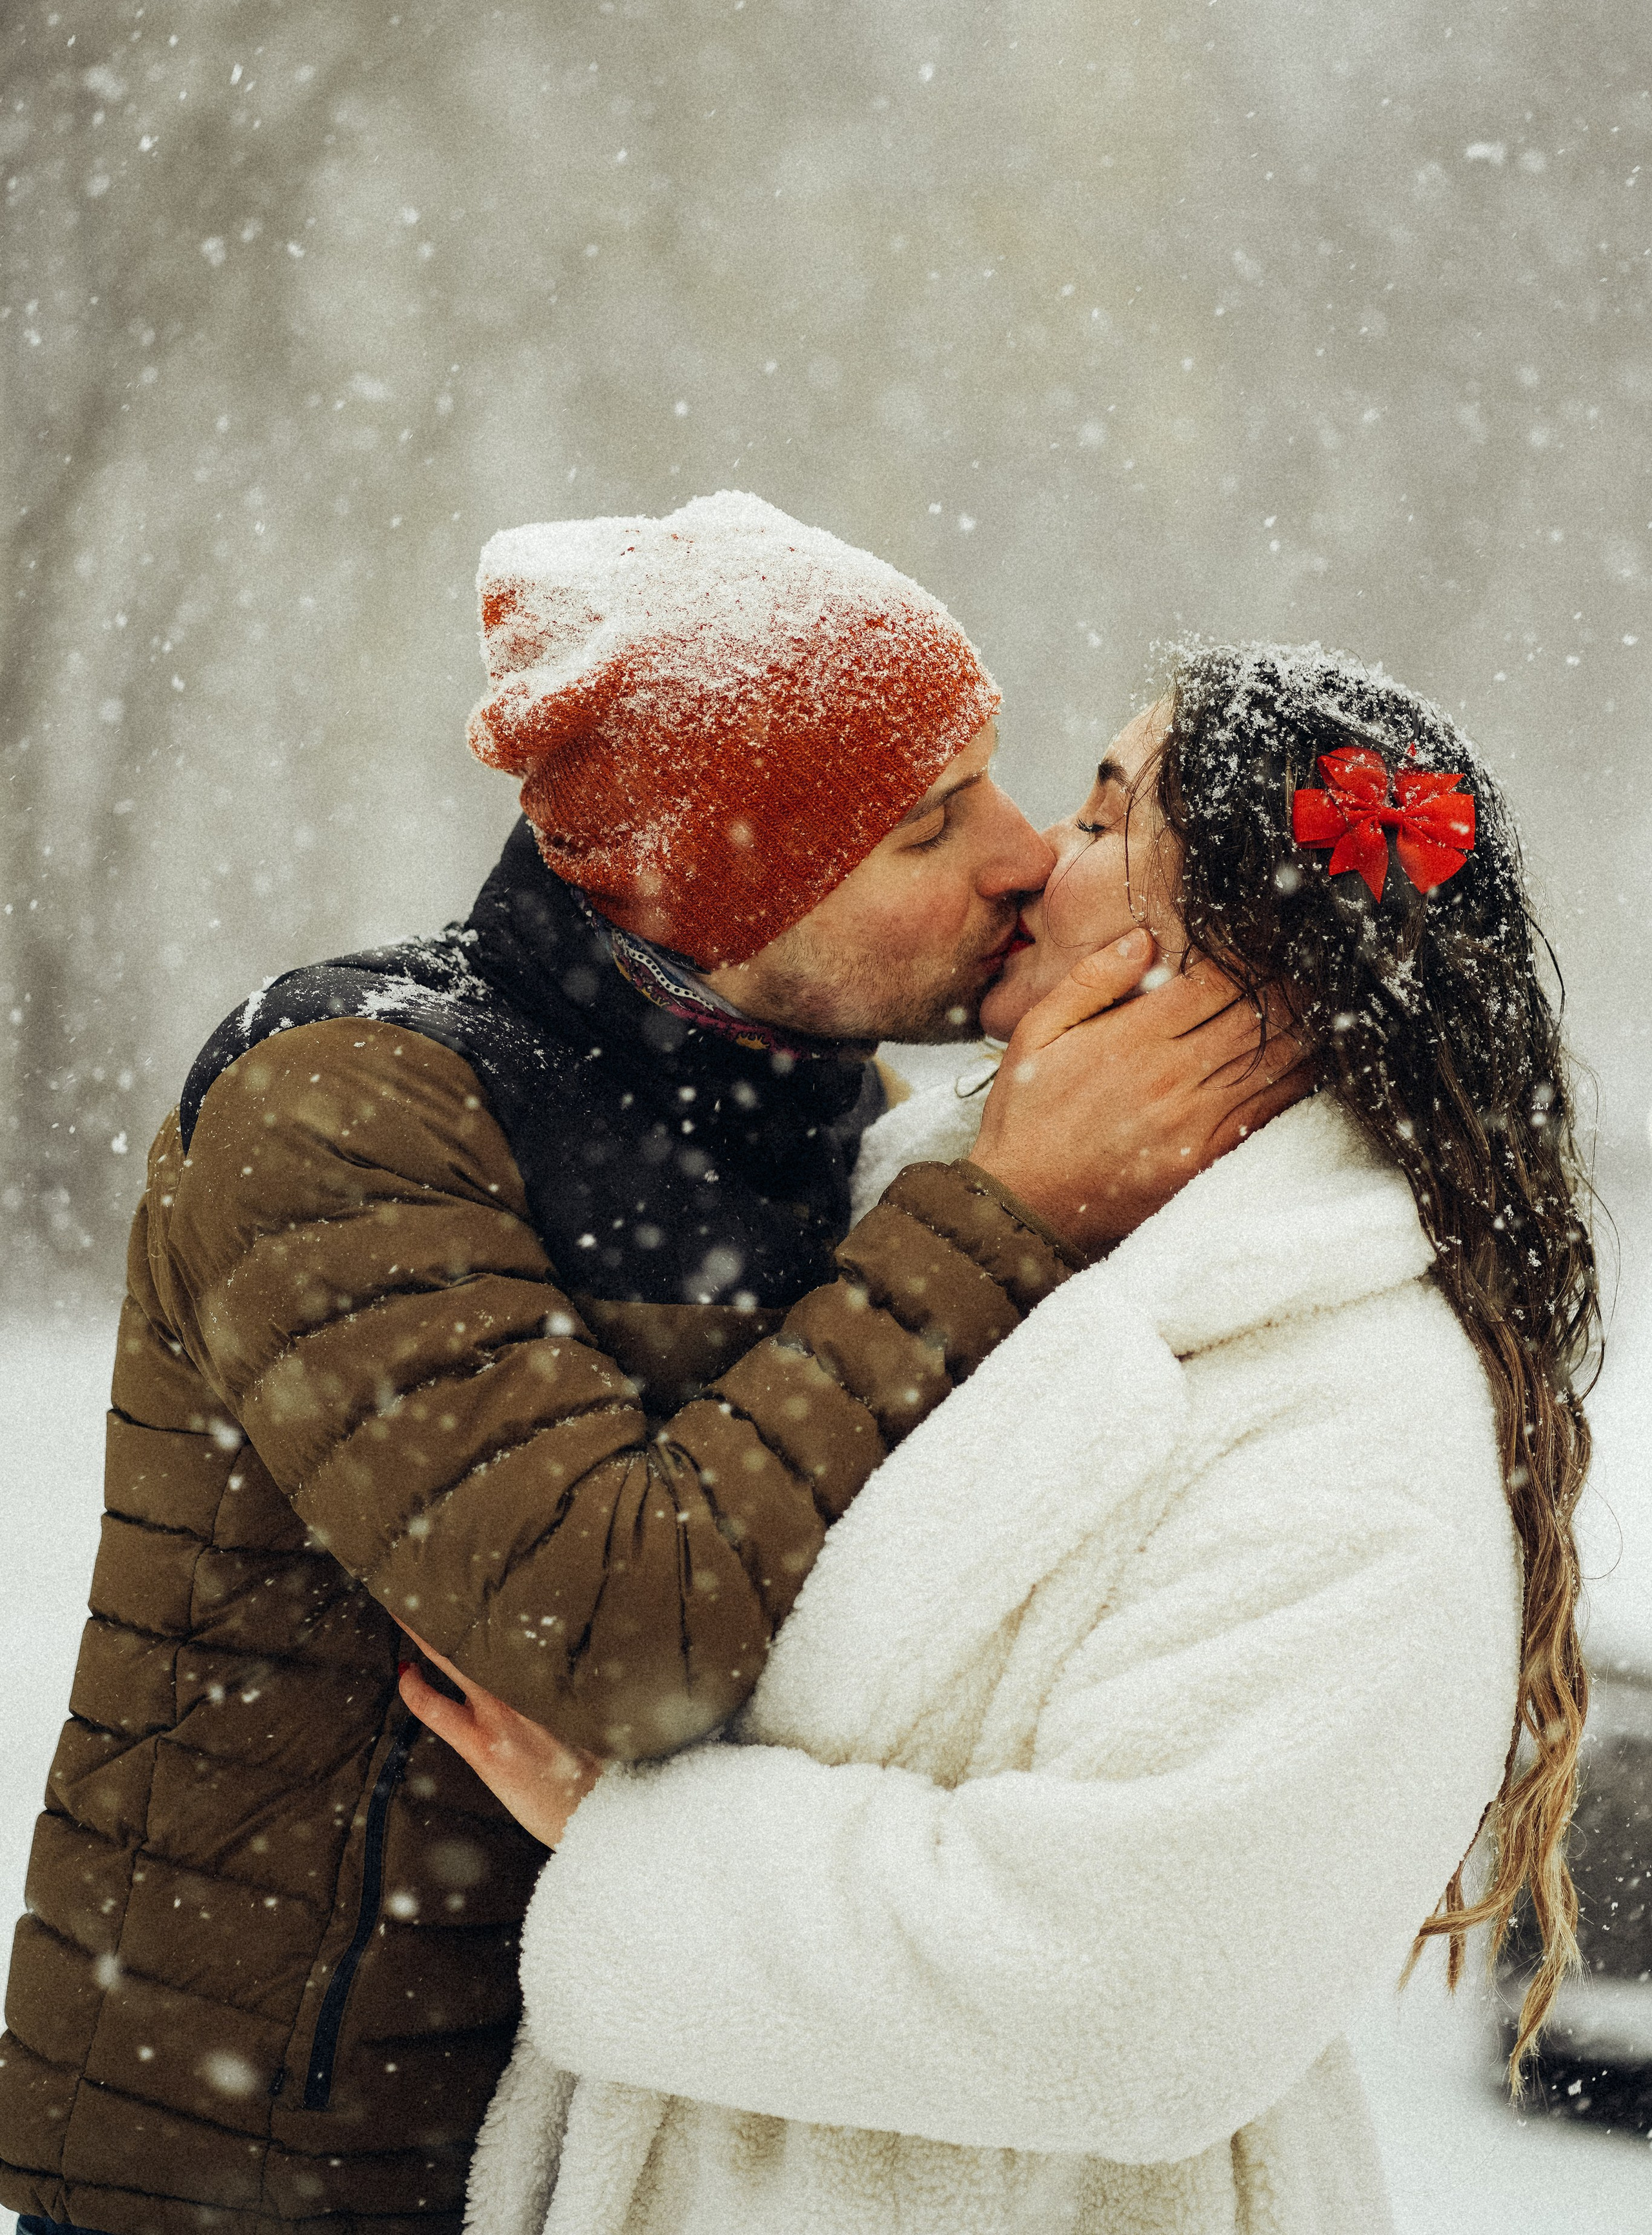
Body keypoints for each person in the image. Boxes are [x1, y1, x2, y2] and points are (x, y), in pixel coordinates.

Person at [0, 498, 1296, 2235]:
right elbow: (618, 1650)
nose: (1022, 855)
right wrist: (1003, 1212)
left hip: (613, 2154)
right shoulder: (344, 1103)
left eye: (994, 778)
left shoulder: (853, 1131)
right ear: (710, 882)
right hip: (268, 2178)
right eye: (931, 822)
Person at [407, 641, 1599, 2235]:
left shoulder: (1351, 1416)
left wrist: (630, 1834)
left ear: (1261, 957)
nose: (1033, 855)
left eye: (1110, 822)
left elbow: (1146, 1995)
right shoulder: (925, 1215)